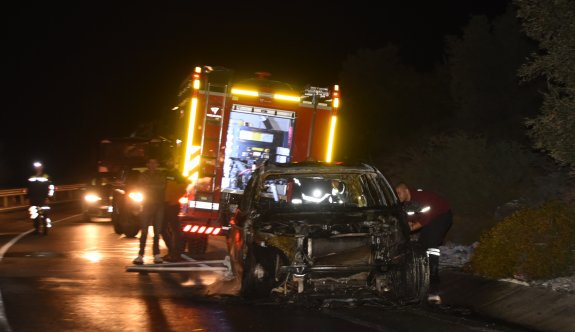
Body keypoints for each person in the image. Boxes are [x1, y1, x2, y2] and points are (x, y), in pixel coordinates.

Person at [395, 182, 453, 304]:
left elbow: (424, 220)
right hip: (429, 220)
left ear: (406, 191)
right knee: (421, 245)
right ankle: (422, 274)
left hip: (441, 216)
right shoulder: (404, 204)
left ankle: (434, 278)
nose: (397, 195)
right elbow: (409, 219)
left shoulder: (422, 198)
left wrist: (407, 230)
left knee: (432, 244)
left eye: (399, 193)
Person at [133, 158, 166, 265]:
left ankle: (156, 254)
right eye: (150, 162)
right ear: (147, 164)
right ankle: (140, 255)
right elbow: (142, 186)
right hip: (147, 205)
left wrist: (149, 186)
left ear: (157, 164)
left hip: (159, 205)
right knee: (144, 231)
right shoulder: (143, 175)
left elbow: (163, 186)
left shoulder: (161, 175)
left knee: (157, 232)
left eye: (154, 162)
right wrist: (154, 187)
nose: (152, 164)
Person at [161, 158, 188, 262]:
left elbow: (183, 188)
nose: (169, 162)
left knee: (175, 230)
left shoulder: (177, 174)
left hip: (172, 205)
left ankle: (175, 253)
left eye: (171, 160)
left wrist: (172, 199)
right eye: (168, 160)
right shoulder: (163, 173)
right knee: (163, 229)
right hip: (164, 205)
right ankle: (172, 252)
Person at [26, 162, 55, 232]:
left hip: (43, 198)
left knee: (45, 214)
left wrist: (49, 197)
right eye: (36, 167)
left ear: (42, 168)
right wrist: (27, 197)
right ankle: (36, 229)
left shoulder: (46, 176)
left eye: (39, 167)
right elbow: (29, 188)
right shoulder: (31, 177)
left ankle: (45, 229)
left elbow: (51, 188)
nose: (38, 168)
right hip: (34, 199)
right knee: (34, 214)